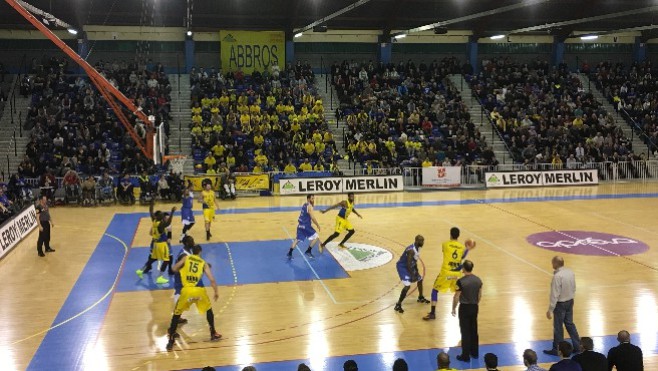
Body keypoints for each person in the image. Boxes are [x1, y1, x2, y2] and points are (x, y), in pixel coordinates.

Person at [166, 244, 221, 351]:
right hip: (199, 290)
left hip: (186, 291)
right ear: (200, 252)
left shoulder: (186, 258)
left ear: (192, 251)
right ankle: (213, 333)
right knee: (208, 310)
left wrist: (180, 270)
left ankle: (171, 340)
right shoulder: (203, 263)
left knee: (176, 314)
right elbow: (212, 279)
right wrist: (216, 292)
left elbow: (174, 268)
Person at [424, 227, 474, 320]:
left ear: (450, 234)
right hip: (456, 275)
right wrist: (467, 249)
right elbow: (462, 257)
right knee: (458, 293)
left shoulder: (445, 244)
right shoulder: (462, 248)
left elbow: (446, 253)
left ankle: (433, 313)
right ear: (458, 236)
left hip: (445, 273)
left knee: (435, 290)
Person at [544, 256, 581, 356]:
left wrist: (550, 310)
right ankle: (578, 346)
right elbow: (574, 287)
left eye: (552, 263)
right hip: (570, 301)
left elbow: (554, 294)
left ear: (556, 264)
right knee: (570, 324)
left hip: (560, 304)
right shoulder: (570, 272)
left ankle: (557, 349)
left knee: (558, 327)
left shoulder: (557, 276)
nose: (552, 265)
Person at [136, 202, 176, 284]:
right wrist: (172, 212)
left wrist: (151, 203)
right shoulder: (160, 225)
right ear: (158, 216)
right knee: (166, 260)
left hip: (155, 244)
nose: (162, 215)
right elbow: (168, 223)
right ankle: (160, 277)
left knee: (153, 258)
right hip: (161, 244)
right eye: (161, 214)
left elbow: (151, 212)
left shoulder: (154, 220)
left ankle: (141, 270)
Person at [452, 260, 483, 362]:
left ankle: (465, 356)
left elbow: (456, 297)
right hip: (474, 307)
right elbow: (479, 295)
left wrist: (453, 308)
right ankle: (474, 353)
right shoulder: (478, 280)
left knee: (465, 331)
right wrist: (475, 303)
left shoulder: (460, 281)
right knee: (474, 330)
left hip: (464, 308)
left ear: (463, 268)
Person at [394, 235, 428, 313]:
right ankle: (398, 304)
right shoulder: (411, 251)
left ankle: (420, 297)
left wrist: (416, 271)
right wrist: (412, 275)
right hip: (403, 267)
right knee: (407, 286)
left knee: (419, 280)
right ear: (416, 241)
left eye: (423, 241)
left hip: (410, 265)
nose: (422, 242)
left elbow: (414, 261)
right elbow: (408, 264)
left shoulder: (418, 248)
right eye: (421, 241)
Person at [287, 194, 323, 259]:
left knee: (297, 239)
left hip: (300, 225)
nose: (313, 200)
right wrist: (317, 224)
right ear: (308, 199)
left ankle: (290, 253)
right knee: (316, 237)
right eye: (312, 198)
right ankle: (308, 251)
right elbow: (313, 217)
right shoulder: (309, 206)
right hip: (306, 226)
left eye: (313, 198)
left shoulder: (304, 204)